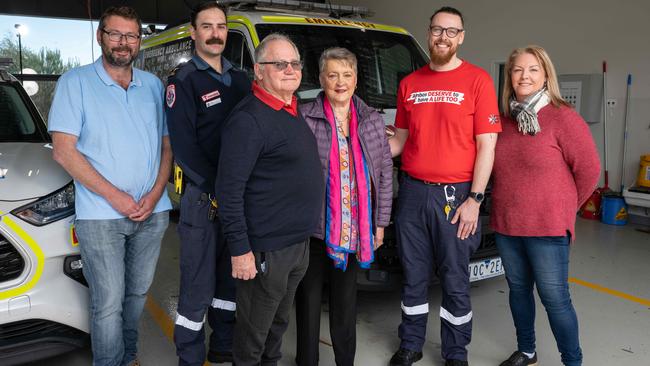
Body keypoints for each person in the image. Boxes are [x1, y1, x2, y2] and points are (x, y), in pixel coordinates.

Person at [48, 6, 172, 366]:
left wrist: (155, 193)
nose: (123, 42)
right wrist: (116, 197)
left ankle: (128, 356)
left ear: (139, 41)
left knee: (136, 295)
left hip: (153, 212)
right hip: (100, 217)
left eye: (131, 35)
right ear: (100, 36)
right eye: (115, 34)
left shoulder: (152, 85)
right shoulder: (76, 82)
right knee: (107, 302)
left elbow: (167, 146)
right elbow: (63, 152)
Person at [388, 6, 502, 366]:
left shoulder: (478, 81)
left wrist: (475, 199)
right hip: (412, 192)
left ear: (461, 37)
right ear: (428, 33)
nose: (443, 37)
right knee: (414, 274)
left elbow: (488, 146)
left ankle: (455, 353)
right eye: (438, 30)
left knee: (455, 279)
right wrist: (358, 142)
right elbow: (400, 141)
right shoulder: (409, 83)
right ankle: (410, 344)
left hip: (457, 195)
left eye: (451, 31)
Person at [215, 33, 324, 366]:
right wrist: (240, 250)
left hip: (295, 246)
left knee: (277, 326)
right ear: (258, 71)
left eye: (294, 63)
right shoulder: (249, 119)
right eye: (279, 64)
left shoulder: (291, 109)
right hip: (265, 249)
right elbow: (228, 190)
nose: (289, 70)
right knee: (253, 335)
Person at [490, 45, 600, 366]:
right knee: (518, 291)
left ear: (545, 75)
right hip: (508, 225)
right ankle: (527, 351)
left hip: (549, 228)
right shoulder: (503, 121)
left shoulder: (562, 117)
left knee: (555, 299)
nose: (525, 76)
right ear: (509, 77)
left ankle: (572, 360)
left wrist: (565, 208)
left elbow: (589, 170)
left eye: (533, 69)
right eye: (518, 70)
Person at [164, 2, 251, 365]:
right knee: (198, 287)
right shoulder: (182, 82)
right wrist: (220, 190)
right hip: (203, 199)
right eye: (207, 26)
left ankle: (223, 347)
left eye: (221, 26)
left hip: (238, 199)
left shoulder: (243, 80)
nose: (216, 33)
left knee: (230, 283)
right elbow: (184, 148)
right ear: (193, 33)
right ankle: (189, 356)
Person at [295, 47, 393, 366]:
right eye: (333, 75)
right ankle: (307, 360)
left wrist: (379, 225)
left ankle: (345, 361)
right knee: (308, 299)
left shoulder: (371, 120)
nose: (340, 82)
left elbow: (383, 174)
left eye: (347, 75)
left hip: (354, 229)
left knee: (345, 302)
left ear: (356, 79)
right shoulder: (304, 116)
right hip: (312, 225)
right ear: (322, 79)